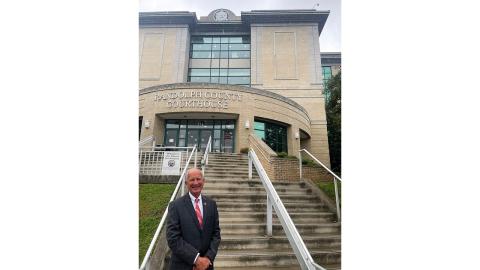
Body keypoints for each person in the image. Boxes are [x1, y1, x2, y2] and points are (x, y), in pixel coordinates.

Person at [166, 168, 221, 270]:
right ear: (186, 183)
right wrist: (196, 259)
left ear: (203, 181)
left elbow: (216, 234)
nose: (196, 183)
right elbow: (173, 238)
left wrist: (208, 258)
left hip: (206, 266)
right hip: (182, 266)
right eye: (192, 180)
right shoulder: (175, 206)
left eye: (198, 179)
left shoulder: (211, 204)